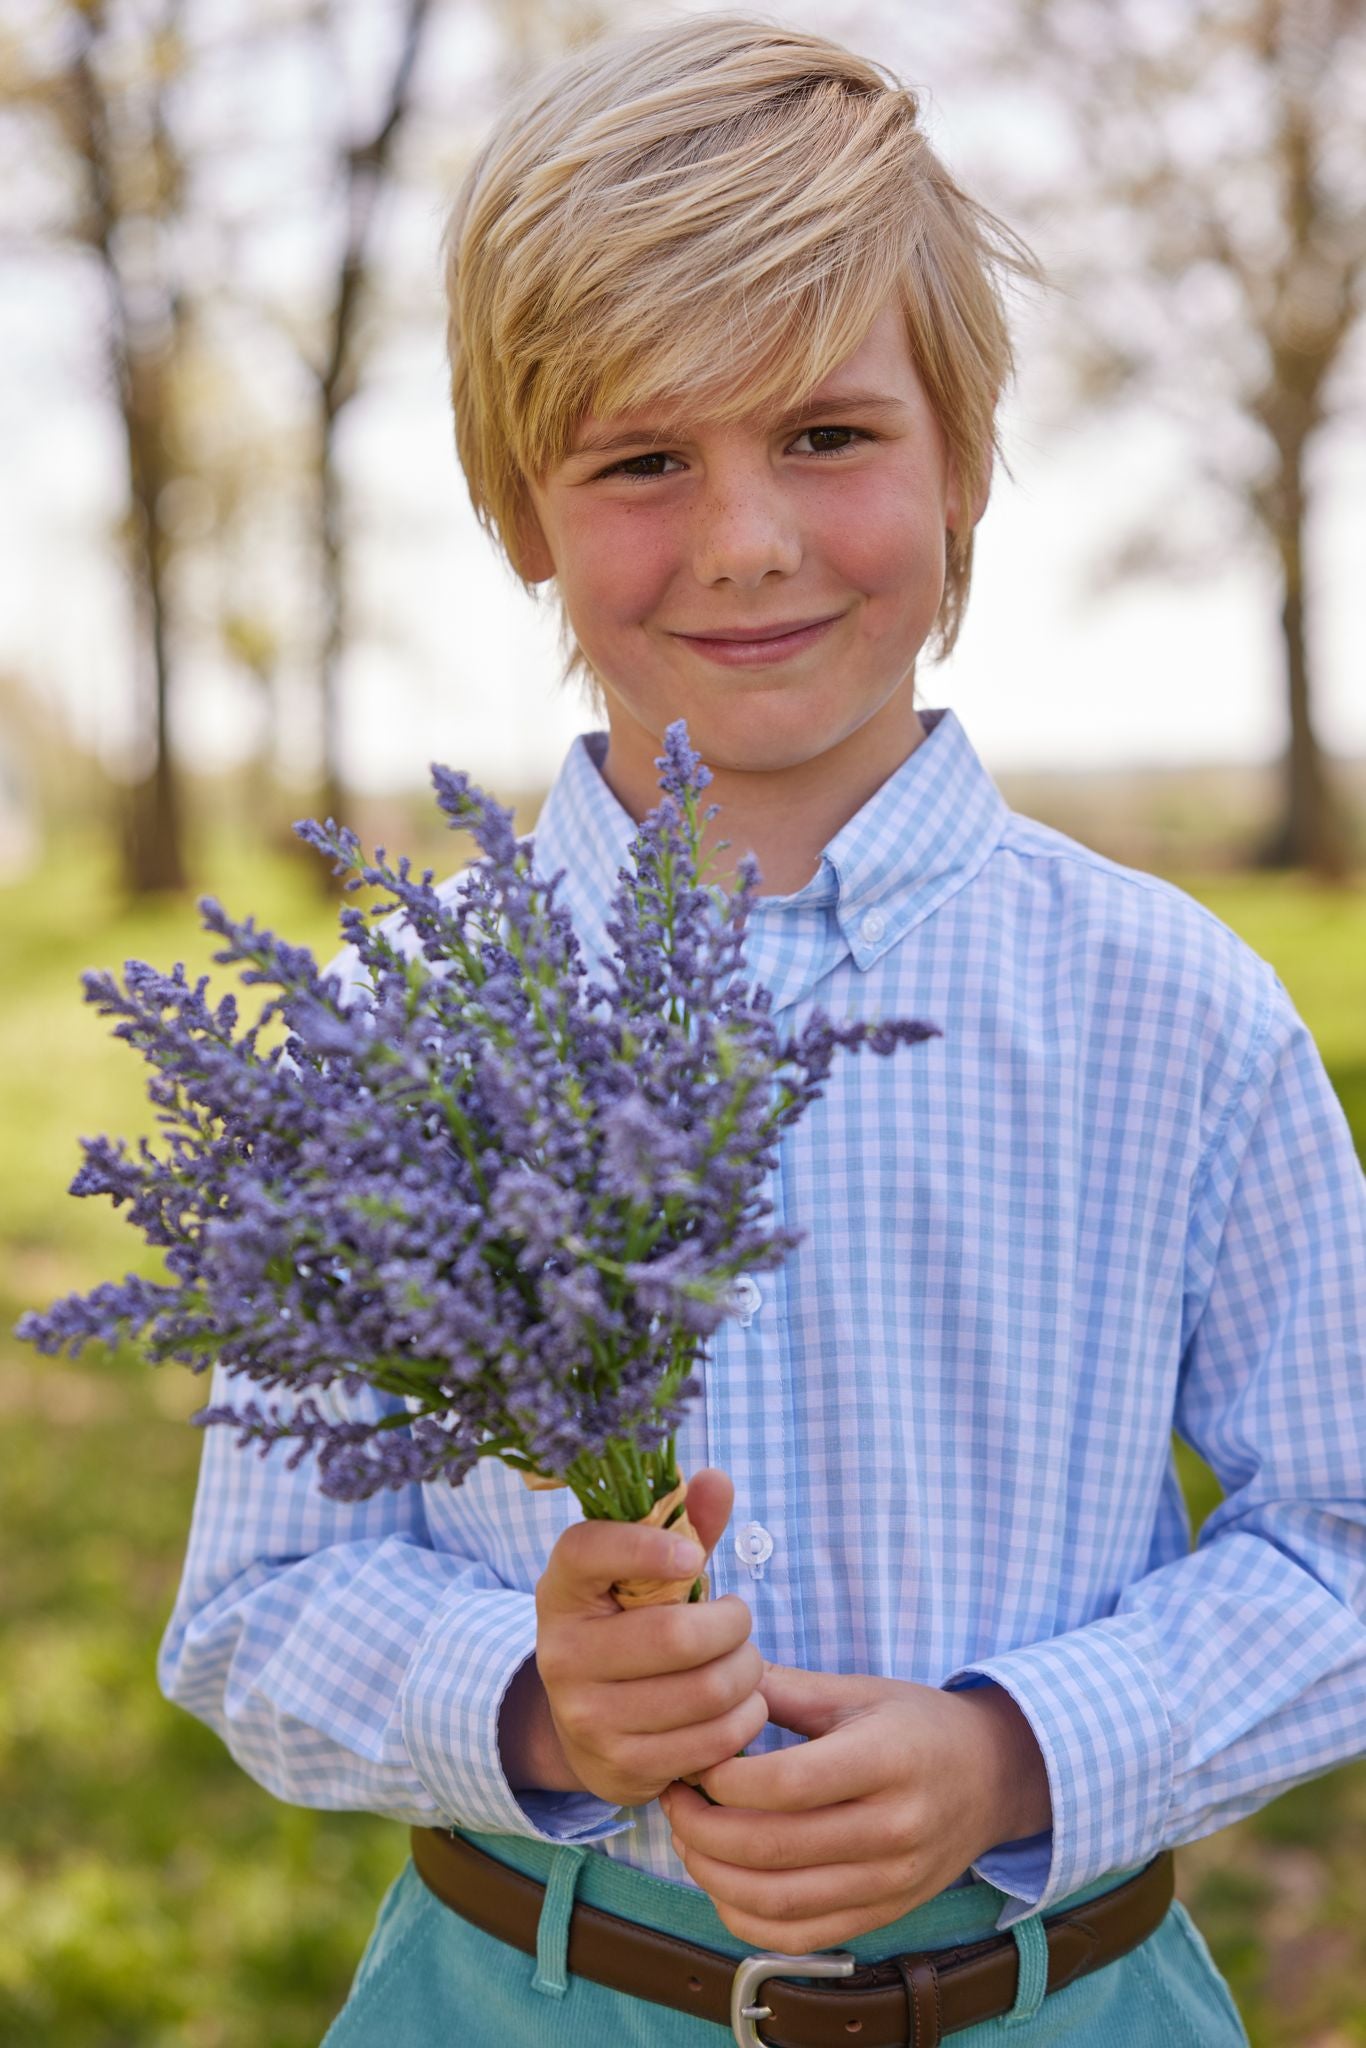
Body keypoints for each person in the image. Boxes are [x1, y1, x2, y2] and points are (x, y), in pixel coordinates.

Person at [158, 17, 1366, 2047]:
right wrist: (529, 1699)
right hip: (520, 1994)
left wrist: (1013, 1755)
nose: (742, 539)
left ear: (962, 458)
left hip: (1060, 2000)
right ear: (519, 509)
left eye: (823, 434)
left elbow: (1335, 1543)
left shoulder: (1175, 1014)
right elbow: (259, 1606)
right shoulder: (381, 1033)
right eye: (640, 459)